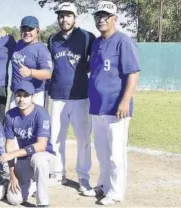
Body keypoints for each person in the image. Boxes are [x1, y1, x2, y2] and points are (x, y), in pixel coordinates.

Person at [82, 1, 140, 206]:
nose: (101, 19)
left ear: (115, 18)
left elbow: (133, 73)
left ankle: (116, 192)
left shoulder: (123, 41)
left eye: (106, 16)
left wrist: (125, 101)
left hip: (116, 107)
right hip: (97, 106)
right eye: (98, 16)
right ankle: (104, 185)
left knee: (116, 154)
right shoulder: (97, 43)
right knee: (102, 151)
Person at [46, 2, 96, 190]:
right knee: (56, 137)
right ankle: (58, 173)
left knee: (83, 138)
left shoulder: (86, 37)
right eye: (61, 15)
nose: (64, 19)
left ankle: (83, 177)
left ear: (74, 18)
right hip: (57, 96)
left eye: (68, 15)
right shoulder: (52, 39)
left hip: (81, 96)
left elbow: (94, 60)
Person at [0, 81, 55, 207]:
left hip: (46, 156)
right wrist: (12, 175)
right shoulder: (10, 115)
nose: (21, 99)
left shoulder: (41, 113)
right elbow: (9, 145)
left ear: (32, 97)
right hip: (25, 157)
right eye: (18, 95)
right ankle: (33, 184)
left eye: (26, 95)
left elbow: (41, 146)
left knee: (38, 159)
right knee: (14, 199)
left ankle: (43, 202)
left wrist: (13, 154)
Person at [10, 16, 53, 109]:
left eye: (30, 29)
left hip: (35, 95)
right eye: (24, 29)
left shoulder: (42, 50)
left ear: (37, 30)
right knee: (13, 122)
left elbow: (48, 74)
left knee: (34, 123)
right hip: (16, 93)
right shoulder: (18, 44)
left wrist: (30, 72)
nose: (27, 32)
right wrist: (0, 31)